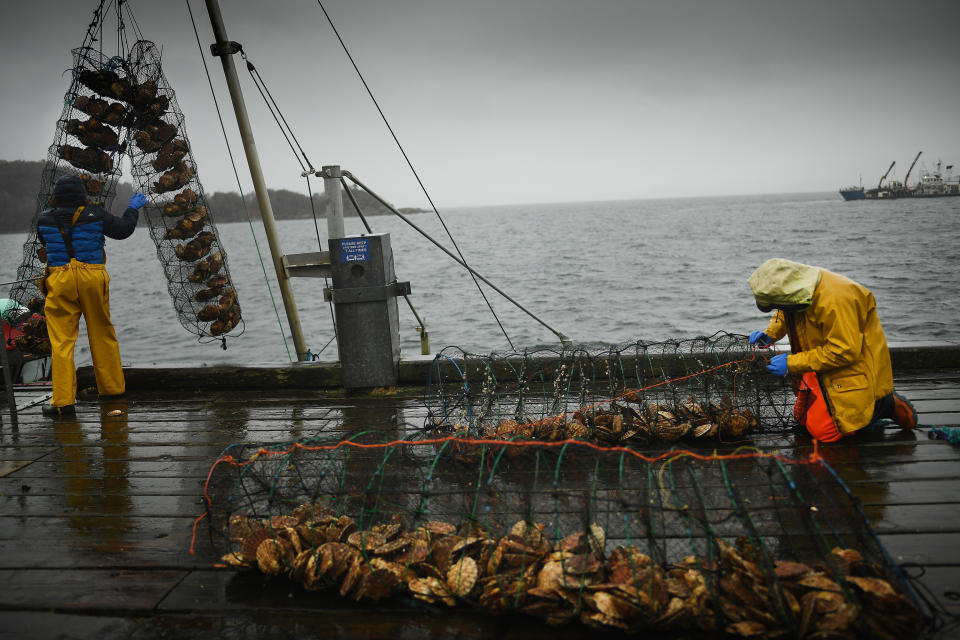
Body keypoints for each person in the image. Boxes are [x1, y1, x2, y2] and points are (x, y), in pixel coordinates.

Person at [747, 258, 917, 442]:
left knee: (825, 433)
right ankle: (856, 407)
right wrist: (770, 334)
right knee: (802, 419)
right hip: (819, 363)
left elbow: (843, 352)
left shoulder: (837, 299)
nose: (777, 308)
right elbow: (784, 312)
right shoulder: (796, 286)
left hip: (851, 369)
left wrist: (790, 362)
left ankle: (884, 403)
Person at [36, 175, 147, 417]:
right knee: (102, 331)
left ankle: (63, 402)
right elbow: (123, 230)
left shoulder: (43, 219)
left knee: (62, 342)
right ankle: (112, 390)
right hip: (91, 276)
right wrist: (132, 208)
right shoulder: (95, 214)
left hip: (60, 279)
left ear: (57, 197)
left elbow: (45, 241)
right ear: (81, 197)